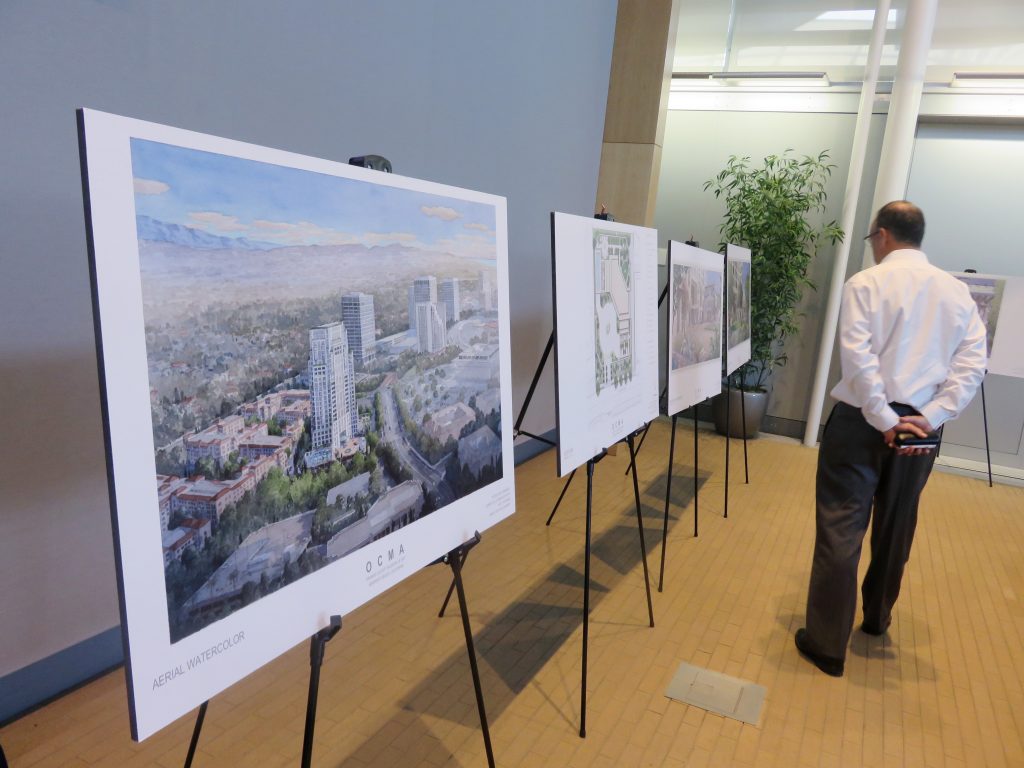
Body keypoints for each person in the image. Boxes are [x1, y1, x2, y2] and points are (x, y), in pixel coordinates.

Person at [795, 200, 987, 677]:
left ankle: (826, 646)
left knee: (842, 527)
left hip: (861, 424)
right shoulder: (958, 294)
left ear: (882, 235)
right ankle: (877, 619)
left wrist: (883, 417)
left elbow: (857, 360)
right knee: (897, 525)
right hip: (921, 430)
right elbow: (971, 365)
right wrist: (931, 414)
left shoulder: (865, 284)